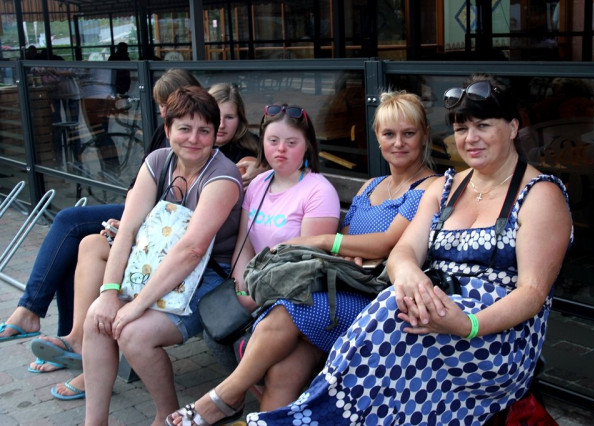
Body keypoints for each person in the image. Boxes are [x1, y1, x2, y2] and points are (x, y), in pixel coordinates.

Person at [244, 74, 573, 425]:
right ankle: (313, 414)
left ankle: (309, 417)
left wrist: (468, 324)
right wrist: (410, 276)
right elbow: (402, 253)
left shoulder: (540, 194)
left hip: (495, 338)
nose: (470, 138)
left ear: (512, 127)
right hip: (433, 312)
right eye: (462, 129)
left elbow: (533, 292)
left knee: (389, 333)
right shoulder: (447, 187)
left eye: (483, 126)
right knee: (389, 315)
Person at [167, 91, 440, 426]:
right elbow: (349, 239)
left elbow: (387, 242)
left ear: (424, 134)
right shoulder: (371, 185)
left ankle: (224, 398)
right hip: (344, 288)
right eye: (389, 134)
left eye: (408, 133)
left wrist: (325, 241)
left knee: (289, 307)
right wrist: (349, 250)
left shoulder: (429, 186)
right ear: (377, 137)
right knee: (284, 368)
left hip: (378, 302)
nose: (398, 143)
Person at [0, 69, 201, 374]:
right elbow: (140, 185)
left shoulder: (199, 138)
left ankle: (42, 320)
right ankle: (64, 337)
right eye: (160, 105)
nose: (162, 111)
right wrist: (130, 217)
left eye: (167, 104)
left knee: (72, 226)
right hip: (144, 211)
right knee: (71, 232)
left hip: (162, 224)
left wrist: (135, 224)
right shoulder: (167, 131)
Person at [78, 86, 243, 426]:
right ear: (167, 129)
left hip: (206, 278)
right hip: (153, 264)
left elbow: (192, 250)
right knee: (97, 317)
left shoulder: (223, 175)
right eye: (184, 128)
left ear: (215, 135)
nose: (193, 139)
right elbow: (127, 230)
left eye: (204, 131)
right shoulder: (158, 161)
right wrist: (109, 293)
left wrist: (135, 306)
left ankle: (164, 416)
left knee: (134, 333)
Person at [208, 83, 268, 187]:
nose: (221, 125)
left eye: (229, 117)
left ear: (239, 119)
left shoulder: (254, 150)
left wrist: (267, 170)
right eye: (215, 116)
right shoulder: (190, 146)